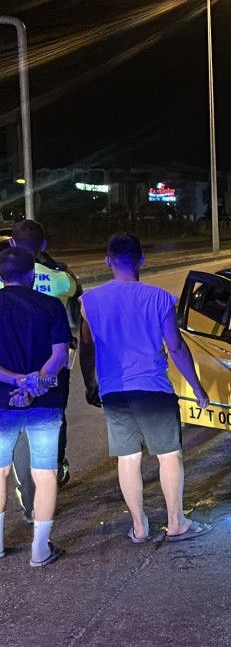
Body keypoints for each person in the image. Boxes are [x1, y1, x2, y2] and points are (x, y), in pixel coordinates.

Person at [80, 233, 212, 543]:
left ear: (108, 261)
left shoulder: (89, 301)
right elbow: (176, 347)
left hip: (114, 392)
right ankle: (176, 522)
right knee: (169, 455)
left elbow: (86, 347)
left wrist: (90, 383)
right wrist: (197, 388)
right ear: (142, 260)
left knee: (127, 458)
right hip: (153, 388)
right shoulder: (159, 298)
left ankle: (139, 527)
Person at [4, 219, 80, 523]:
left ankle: (27, 492)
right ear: (43, 246)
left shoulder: (4, 274)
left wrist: (18, 380)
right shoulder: (59, 280)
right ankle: (51, 475)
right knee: (51, 423)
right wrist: (36, 381)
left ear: (11, 243)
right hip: (50, 372)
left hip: (7, 373)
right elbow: (74, 291)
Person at [0, 247, 70, 566]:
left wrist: (15, 381)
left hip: (2, 403)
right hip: (45, 401)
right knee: (45, 473)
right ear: (31, 274)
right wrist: (34, 384)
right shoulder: (51, 305)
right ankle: (40, 550)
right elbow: (60, 355)